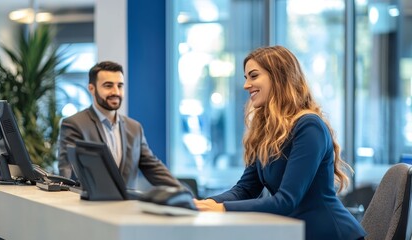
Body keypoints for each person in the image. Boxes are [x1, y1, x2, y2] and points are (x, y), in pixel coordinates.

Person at [193, 46, 366, 240]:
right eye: (246, 78)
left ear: (278, 77)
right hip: (296, 232)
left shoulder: (309, 126)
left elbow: (286, 201)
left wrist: (222, 208)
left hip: (332, 234)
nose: (246, 85)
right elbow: (246, 189)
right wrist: (202, 205)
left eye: (254, 76)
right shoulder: (266, 131)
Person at [58, 61, 181, 189]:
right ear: (92, 89)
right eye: (108, 86)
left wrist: (185, 195)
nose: (116, 92)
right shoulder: (74, 124)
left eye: (120, 86)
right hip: (90, 206)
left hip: (127, 207)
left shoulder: (134, 128)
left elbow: (153, 168)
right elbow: (68, 173)